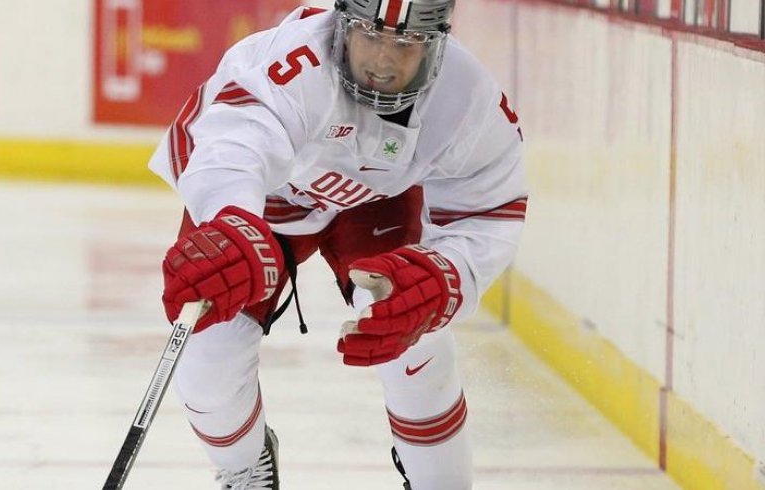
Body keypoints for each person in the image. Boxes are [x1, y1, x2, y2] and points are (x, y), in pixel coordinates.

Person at [148, 0, 527, 488]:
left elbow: (491, 209)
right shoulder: (291, 63)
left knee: (415, 328)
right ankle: (243, 467)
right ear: (342, 24)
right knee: (210, 345)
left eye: (407, 43)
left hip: (377, 201)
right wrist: (228, 221)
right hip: (264, 203)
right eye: (370, 35)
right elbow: (231, 144)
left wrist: (448, 275)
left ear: (437, 43)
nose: (384, 61)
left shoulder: (468, 97)